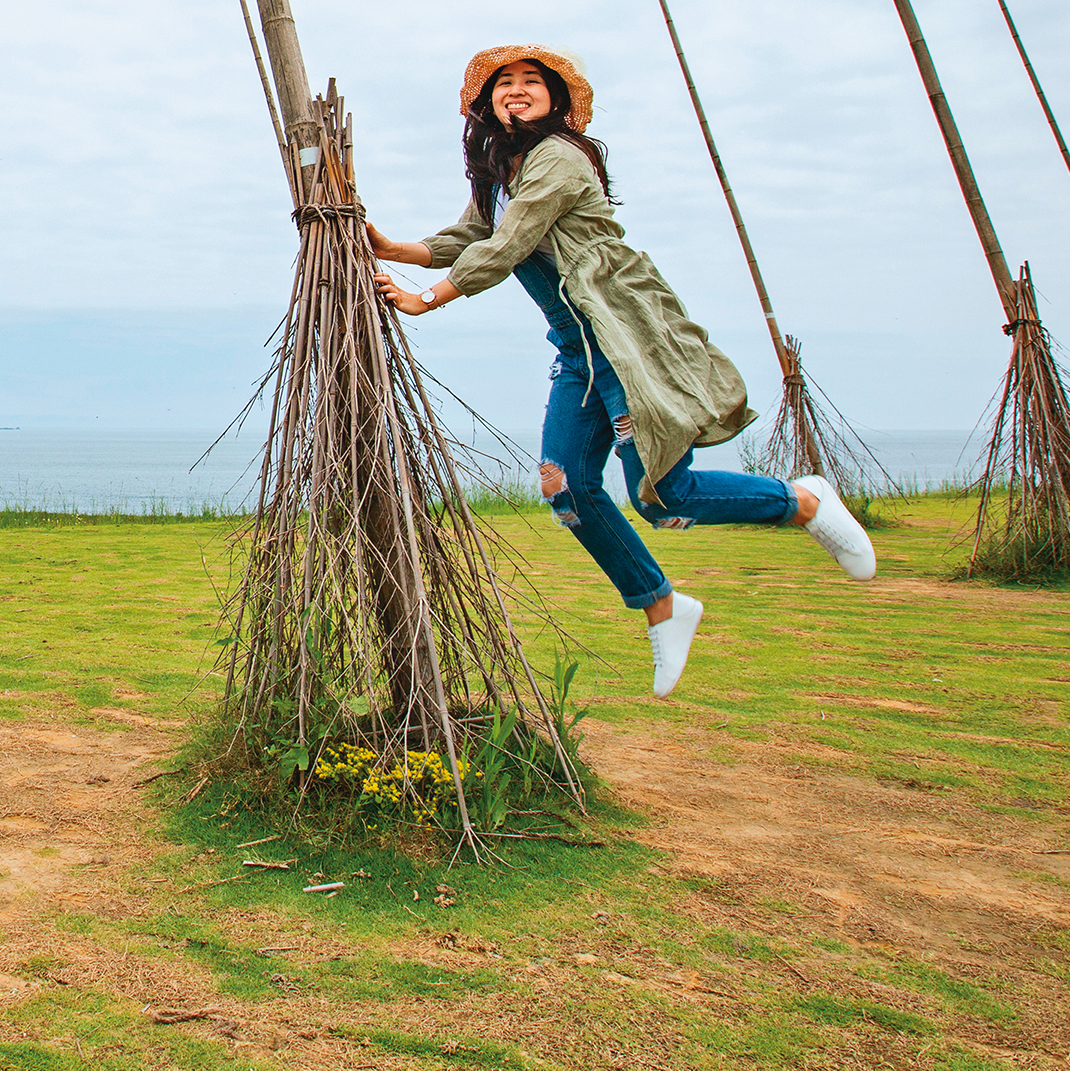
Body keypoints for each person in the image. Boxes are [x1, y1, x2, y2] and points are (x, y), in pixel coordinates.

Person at [366, 44, 874, 698]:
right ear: (486, 102)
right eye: (503, 84)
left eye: (530, 82)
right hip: (576, 354)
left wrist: (424, 299)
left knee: (662, 496)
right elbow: (468, 237)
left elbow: (508, 244)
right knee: (566, 488)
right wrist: (391, 248)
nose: (515, 91)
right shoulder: (499, 172)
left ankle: (801, 501)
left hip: (620, 342)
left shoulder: (558, 159)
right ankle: (660, 605)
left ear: (555, 99)